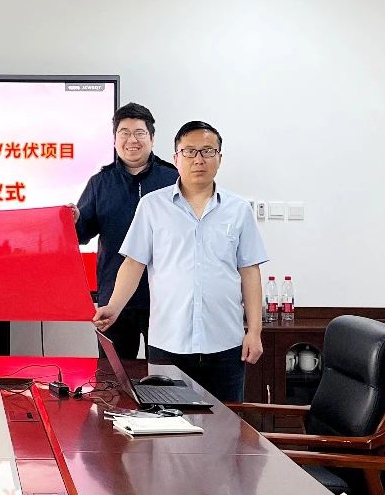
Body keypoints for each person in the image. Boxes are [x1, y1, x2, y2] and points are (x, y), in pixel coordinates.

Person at [92, 121, 267, 402]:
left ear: (219, 158)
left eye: (207, 151)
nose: (199, 159)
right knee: (169, 425)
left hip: (225, 343)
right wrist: (114, 307)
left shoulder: (238, 210)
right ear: (176, 158)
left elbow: (250, 271)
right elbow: (134, 264)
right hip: (168, 342)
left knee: (227, 424)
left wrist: (254, 331)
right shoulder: (152, 206)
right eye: (189, 151)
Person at [73, 102, 178, 359]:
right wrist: (74, 220)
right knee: (113, 374)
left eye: (140, 133)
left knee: (167, 372)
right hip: (115, 300)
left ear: (152, 138)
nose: (132, 140)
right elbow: (81, 235)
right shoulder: (100, 183)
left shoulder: (173, 179)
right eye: (124, 133)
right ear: (114, 140)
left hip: (166, 298)